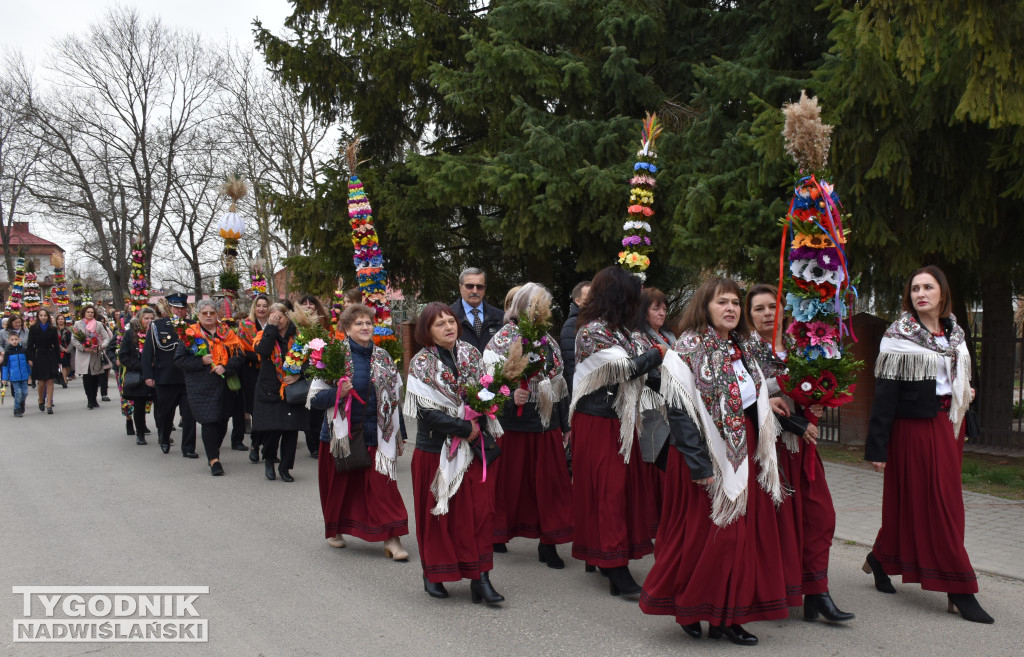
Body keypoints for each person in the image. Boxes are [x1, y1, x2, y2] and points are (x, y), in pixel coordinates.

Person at [639, 277, 791, 645]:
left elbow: (750, 397)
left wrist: (772, 410)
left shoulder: (742, 348)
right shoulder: (688, 348)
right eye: (722, 302)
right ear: (705, 305)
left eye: (736, 303)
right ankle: (690, 607)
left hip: (740, 454)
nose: (731, 309)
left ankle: (728, 616)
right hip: (702, 458)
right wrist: (700, 467)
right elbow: (678, 410)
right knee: (699, 538)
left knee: (736, 540)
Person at [864, 266, 992, 623]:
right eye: (915, 288)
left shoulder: (955, 332)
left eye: (928, 287)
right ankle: (960, 588)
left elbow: (961, 376)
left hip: (950, 425)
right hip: (915, 430)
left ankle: (880, 557)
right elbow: (884, 396)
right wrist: (878, 448)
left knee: (920, 502)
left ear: (942, 293)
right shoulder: (896, 336)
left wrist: (964, 391)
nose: (921, 293)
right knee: (942, 506)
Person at [744, 283, 854, 622]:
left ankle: (816, 591)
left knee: (820, 516)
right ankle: (774, 592)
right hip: (768, 447)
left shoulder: (797, 343)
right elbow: (749, 398)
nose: (766, 314)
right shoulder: (744, 350)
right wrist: (794, 414)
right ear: (749, 316)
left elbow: (813, 384)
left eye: (771, 307)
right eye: (758, 309)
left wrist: (819, 400)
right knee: (778, 524)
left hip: (801, 445)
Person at [569, 266, 663, 597]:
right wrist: (658, 353)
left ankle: (606, 553)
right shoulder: (592, 332)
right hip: (598, 421)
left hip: (622, 420)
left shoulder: (624, 331)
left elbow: (649, 374)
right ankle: (613, 566)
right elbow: (624, 369)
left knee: (621, 491)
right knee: (608, 492)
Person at [405, 302, 504, 604]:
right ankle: (433, 573)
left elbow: (488, 390)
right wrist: (464, 428)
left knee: (476, 515)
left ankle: (480, 577)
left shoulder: (471, 355)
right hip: (435, 450)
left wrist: (488, 407)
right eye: (440, 324)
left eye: (451, 321)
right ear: (427, 330)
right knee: (440, 517)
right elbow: (426, 412)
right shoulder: (421, 364)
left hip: (472, 451)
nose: (449, 326)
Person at [310, 303, 410, 559]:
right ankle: (336, 530)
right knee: (340, 487)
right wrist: (337, 393)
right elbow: (315, 400)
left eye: (368, 323)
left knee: (384, 488)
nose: (365, 327)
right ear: (346, 328)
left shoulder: (385, 358)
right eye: (359, 323)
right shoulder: (332, 356)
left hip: (379, 435)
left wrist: (401, 433)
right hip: (341, 437)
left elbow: (395, 399)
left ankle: (392, 539)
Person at [484, 283, 573, 568]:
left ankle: (548, 543)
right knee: (507, 484)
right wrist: (510, 398)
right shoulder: (501, 339)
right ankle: (498, 533)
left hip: (545, 423)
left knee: (550, 485)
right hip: (511, 426)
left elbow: (559, 384)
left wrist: (565, 424)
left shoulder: (549, 341)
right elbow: (487, 386)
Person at [174, 299, 246, 476]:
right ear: (198, 315)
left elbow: (239, 354)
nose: (208, 316)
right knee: (209, 422)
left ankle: (214, 450)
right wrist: (200, 361)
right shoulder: (190, 334)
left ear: (217, 314)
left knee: (222, 422)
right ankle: (214, 460)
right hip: (201, 386)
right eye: (204, 313)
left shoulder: (226, 332)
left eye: (211, 313)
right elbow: (179, 360)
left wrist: (226, 367)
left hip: (224, 384)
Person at [253, 303, 309, 482]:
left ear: (287, 317)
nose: (277, 320)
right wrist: (270, 327)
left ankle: (285, 468)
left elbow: (311, 361)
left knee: (291, 432)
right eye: (273, 317)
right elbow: (262, 351)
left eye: (280, 317)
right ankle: (269, 459)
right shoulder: (265, 334)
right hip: (270, 389)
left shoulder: (299, 336)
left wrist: (298, 375)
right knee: (272, 431)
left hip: (292, 391)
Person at [298, 293, 335, 459]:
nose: (308, 306)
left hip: (322, 367)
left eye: (311, 303)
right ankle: (313, 445)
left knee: (321, 408)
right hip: (303, 368)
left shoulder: (325, 323)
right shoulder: (297, 325)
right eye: (304, 303)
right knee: (309, 410)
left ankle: (323, 442)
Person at [237, 294, 271, 463]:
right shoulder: (246, 325)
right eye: (259, 305)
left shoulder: (275, 324)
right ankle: (255, 446)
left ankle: (266, 447)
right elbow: (242, 349)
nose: (262, 309)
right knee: (257, 412)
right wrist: (261, 356)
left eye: (265, 305)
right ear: (254, 307)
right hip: (252, 371)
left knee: (269, 411)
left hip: (271, 372)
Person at [118, 306, 157, 444]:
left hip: (157, 374)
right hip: (139, 375)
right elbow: (123, 356)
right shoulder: (130, 334)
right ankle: (140, 434)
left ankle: (163, 433)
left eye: (152, 318)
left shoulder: (158, 333)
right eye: (146, 318)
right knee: (139, 406)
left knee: (160, 406)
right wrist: (142, 366)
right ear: (140, 319)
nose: (149, 321)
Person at [449, 267, 503, 353]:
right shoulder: (448, 317)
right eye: (469, 286)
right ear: (460, 288)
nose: (475, 291)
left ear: (484, 289)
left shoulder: (500, 317)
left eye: (479, 287)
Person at [71, 305, 113, 409]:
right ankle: (89, 399)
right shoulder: (78, 324)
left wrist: (101, 346)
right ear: (84, 313)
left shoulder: (98, 324)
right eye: (88, 312)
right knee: (87, 377)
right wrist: (83, 348)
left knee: (95, 378)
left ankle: (94, 398)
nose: (90, 314)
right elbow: (74, 339)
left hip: (95, 354)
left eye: (92, 312)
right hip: (84, 354)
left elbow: (106, 338)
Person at [559, 280, 590, 397]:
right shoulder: (572, 325)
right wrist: (577, 394)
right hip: (583, 392)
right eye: (589, 297)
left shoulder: (598, 321)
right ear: (578, 301)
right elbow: (570, 363)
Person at [27, 308, 60, 414]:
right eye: (41, 315)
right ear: (38, 317)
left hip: (50, 355)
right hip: (39, 355)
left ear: (48, 317)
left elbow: (56, 345)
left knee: (50, 380)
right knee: (41, 382)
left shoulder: (53, 329)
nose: (43, 317)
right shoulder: (33, 328)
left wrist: (58, 359)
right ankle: (41, 399)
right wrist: (30, 358)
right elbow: (30, 345)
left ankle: (49, 404)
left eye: (45, 315)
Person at [1, 329, 30, 417]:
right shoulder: (8, 352)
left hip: (24, 375)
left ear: (19, 340)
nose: (14, 341)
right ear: (8, 341)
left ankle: (22, 403)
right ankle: (16, 409)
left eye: (16, 339)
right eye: (12, 340)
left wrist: (30, 374)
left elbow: (27, 363)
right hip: (14, 376)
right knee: (18, 392)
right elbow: (5, 366)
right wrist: (4, 378)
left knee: (25, 392)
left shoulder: (23, 350)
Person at [55, 314, 73, 387]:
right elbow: (54, 341)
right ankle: (64, 380)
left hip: (68, 349)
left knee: (68, 366)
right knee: (63, 365)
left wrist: (68, 349)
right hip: (59, 350)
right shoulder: (54, 330)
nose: (60, 321)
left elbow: (73, 340)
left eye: (62, 319)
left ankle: (65, 377)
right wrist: (61, 348)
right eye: (59, 319)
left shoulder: (69, 329)